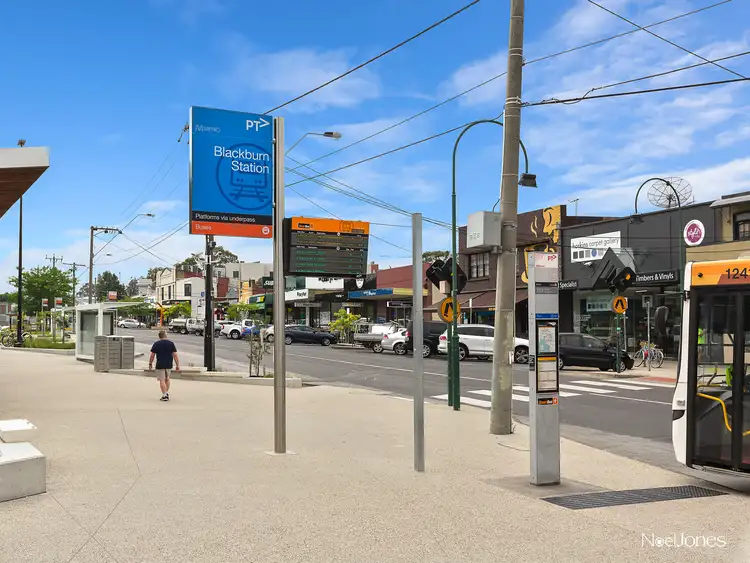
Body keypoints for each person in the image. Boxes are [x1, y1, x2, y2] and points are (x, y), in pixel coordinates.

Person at [149, 330, 180, 401]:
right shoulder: (171, 343)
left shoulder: (156, 344)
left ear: (159, 336)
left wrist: (150, 363)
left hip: (160, 364)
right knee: (167, 378)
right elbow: (175, 355)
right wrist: (177, 365)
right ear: (165, 335)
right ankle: (166, 392)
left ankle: (165, 394)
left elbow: (152, 355)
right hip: (169, 364)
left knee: (162, 380)